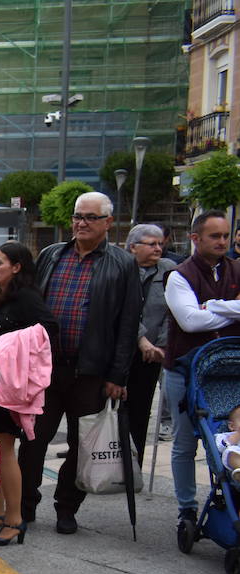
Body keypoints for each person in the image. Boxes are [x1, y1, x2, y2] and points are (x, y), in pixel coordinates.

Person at [18, 191, 142, 534]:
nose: (81, 223)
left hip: (90, 372)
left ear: (108, 222)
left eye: (90, 217)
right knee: (32, 441)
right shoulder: (50, 255)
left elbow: (128, 323)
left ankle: (66, 508)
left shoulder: (122, 264)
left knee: (80, 444)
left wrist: (118, 374)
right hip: (46, 370)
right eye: (77, 216)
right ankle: (25, 506)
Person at [0, 241, 56, 546]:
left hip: (8, 386)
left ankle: (14, 519)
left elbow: (48, 329)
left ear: (17, 267)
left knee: (4, 450)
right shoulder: (4, 297)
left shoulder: (26, 297)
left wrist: (5, 342)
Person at [163, 210, 240, 535]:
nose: (222, 241)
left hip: (231, 367)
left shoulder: (237, 267)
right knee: (184, 442)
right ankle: (187, 509)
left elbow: (200, 314)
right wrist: (231, 307)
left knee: (232, 433)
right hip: (184, 367)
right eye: (215, 236)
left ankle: (230, 497)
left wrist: (211, 306)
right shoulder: (180, 275)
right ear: (196, 239)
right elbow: (190, 321)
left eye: (225, 235)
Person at [124, 224, 175, 457]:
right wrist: (140, 338)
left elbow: (170, 311)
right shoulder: (121, 268)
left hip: (152, 353)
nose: (158, 248)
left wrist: (160, 345)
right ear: (133, 247)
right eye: (151, 244)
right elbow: (122, 310)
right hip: (122, 349)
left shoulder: (169, 270)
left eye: (160, 244)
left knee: (141, 410)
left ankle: (135, 464)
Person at [216, 405, 240, 483]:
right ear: (232, 426)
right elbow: (219, 447)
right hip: (238, 453)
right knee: (229, 452)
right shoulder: (227, 436)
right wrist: (232, 439)